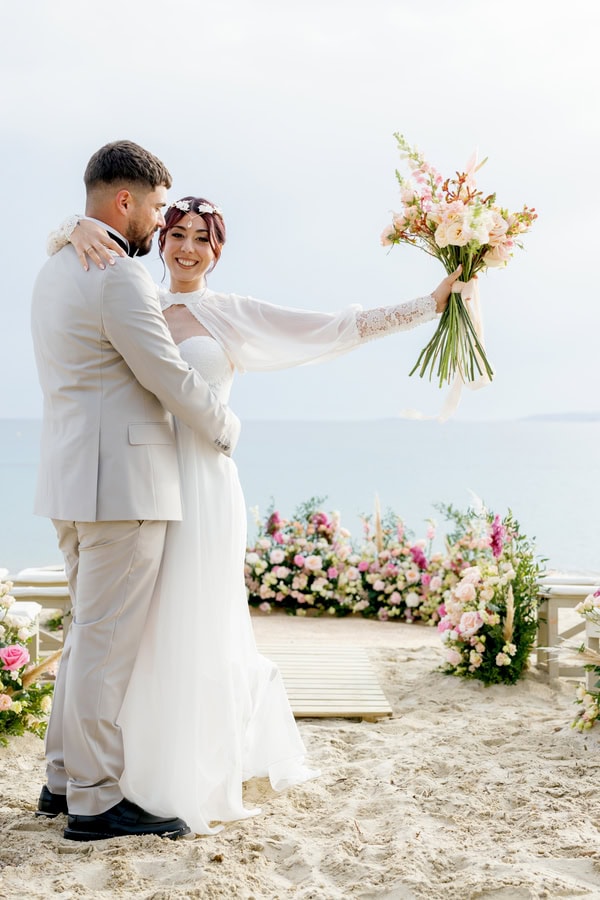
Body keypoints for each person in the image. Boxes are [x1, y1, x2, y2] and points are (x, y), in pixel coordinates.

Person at [51, 196, 461, 835]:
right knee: (130, 628)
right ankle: (112, 771)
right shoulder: (129, 294)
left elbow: (331, 327)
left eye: (202, 239)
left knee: (193, 619)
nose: (187, 248)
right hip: (142, 482)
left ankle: (181, 765)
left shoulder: (231, 315)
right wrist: (71, 224)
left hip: (205, 480)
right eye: (176, 234)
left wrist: (426, 306)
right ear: (158, 240)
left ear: (219, 250)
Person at [31, 147, 241, 842]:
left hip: (69, 478)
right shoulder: (118, 277)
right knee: (103, 644)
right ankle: (94, 800)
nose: (160, 222)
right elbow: (167, 375)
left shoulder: (55, 267)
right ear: (124, 203)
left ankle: (63, 779)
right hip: (123, 487)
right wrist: (224, 425)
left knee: (85, 636)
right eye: (156, 208)